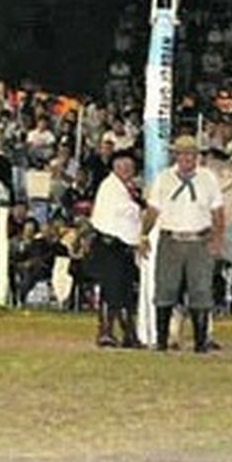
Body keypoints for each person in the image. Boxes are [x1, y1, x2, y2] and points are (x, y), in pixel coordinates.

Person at [139, 134, 225, 353]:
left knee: (201, 291)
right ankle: (161, 341)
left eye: (191, 154)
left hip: (200, 240)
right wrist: (143, 234)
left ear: (197, 156)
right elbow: (153, 210)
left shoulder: (208, 179)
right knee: (165, 289)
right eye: (182, 153)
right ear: (175, 156)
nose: (187, 158)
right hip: (172, 239)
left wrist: (217, 239)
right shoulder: (164, 179)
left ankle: (200, 342)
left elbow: (218, 212)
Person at [88, 148, 143, 348]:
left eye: (129, 166)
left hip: (124, 247)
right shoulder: (110, 187)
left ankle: (129, 333)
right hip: (110, 244)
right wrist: (142, 207)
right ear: (114, 167)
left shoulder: (128, 188)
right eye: (122, 166)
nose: (126, 169)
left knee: (126, 292)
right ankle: (106, 331)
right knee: (111, 290)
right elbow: (127, 211)